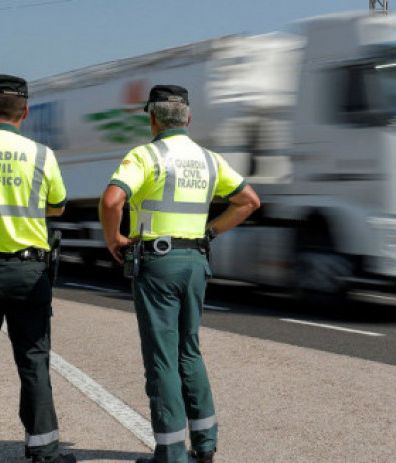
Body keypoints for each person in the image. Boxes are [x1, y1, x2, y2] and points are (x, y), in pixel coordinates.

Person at [100, 84, 260, 463]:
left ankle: (171, 452)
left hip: (158, 265)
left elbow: (111, 200)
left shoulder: (145, 155)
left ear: (152, 118)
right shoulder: (209, 160)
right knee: (189, 350)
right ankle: (204, 445)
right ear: (188, 118)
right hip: (195, 262)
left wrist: (113, 239)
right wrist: (210, 233)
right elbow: (249, 201)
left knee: (162, 357)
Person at [0, 75, 75, 462]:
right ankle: (44, 450)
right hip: (29, 272)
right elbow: (57, 205)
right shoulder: (42, 154)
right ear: (25, 111)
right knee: (33, 359)